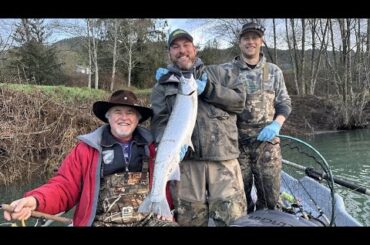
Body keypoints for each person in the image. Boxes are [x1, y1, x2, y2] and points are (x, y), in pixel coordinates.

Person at [3, 90, 177, 227]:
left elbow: (168, 183)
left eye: (130, 112)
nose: (124, 117)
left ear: (138, 119)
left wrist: (167, 209)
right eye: (117, 111)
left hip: (147, 220)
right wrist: (35, 200)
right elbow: (64, 186)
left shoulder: (154, 148)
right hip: (101, 222)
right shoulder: (87, 149)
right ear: (107, 117)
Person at [151, 29, 247, 226]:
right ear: (169, 52)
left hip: (224, 162)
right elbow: (159, 121)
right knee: (190, 221)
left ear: (195, 49)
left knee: (234, 220)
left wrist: (210, 90)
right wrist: (170, 146)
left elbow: (239, 102)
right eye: (175, 47)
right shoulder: (162, 86)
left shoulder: (220, 73)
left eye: (186, 45)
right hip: (186, 166)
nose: (181, 50)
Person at [226, 22, 292, 212]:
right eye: (246, 38)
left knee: (270, 199)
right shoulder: (227, 71)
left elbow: (284, 102)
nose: (250, 42)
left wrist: (276, 125)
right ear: (240, 42)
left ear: (261, 41)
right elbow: (201, 79)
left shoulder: (273, 71)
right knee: (240, 199)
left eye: (255, 38)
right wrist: (175, 76)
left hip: (267, 144)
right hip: (236, 145)